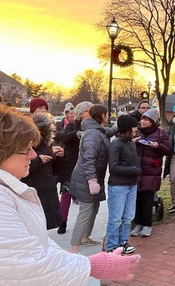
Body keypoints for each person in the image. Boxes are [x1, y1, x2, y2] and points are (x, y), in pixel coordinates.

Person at [0, 104, 140, 284]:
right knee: (85, 214)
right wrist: (91, 266)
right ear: (0, 152)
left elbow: (37, 243)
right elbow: (24, 265)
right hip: (86, 181)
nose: (32, 155)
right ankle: (76, 246)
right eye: (25, 149)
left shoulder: (3, 189)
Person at [69, 104, 112, 254]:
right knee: (86, 211)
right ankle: (74, 248)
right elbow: (88, 159)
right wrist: (92, 180)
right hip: (87, 179)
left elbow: (109, 131)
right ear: (102, 116)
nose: (109, 116)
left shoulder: (98, 131)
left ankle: (85, 238)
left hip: (93, 177)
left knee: (94, 208)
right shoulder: (93, 134)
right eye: (107, 114)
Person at [131, 109, 171, 238]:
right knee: (136, 199)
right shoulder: (136, 132)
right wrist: (133, 142)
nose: (143, 122)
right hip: (137, 169)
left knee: (148, 199)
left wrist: (157, 146)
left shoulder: (161, 133)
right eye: (142, 119)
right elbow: (125, 144)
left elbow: (168, 149)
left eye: (146, 119)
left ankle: (147, 225)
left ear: (153, 121)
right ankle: (138, 224)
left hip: (151, 171)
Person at [53, 101, 92, 235]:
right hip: (71, 166)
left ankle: (83, 228)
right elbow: (63, 136)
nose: (90, 113)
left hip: (87, 166)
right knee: (66, 194)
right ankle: (62, 221)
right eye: (87, 111)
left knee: (86, 197)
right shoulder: (71, 126)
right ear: (81, 113)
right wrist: (78, 133)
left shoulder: (93, 127)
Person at [105, 115, 141, 253]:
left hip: (131, 185)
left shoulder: (131, 143)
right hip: (118, 186)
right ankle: (112, 246)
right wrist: (132, 170)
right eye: (133, 127)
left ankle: (123, 241)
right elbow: (113, 167)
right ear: (127, 129)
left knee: (128, 217)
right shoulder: (116, 145)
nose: (136, 129)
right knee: (115, 218)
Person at [21, 112, 63, 230]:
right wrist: (39, 160)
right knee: (36, 228)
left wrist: (58, 156)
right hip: (35, 188)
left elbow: (55, 169)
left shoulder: (46, 144)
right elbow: (21, 169)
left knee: (42, 228)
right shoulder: (26, 143)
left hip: (46, 187)